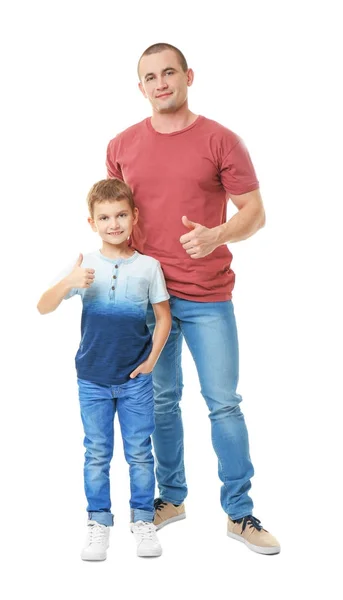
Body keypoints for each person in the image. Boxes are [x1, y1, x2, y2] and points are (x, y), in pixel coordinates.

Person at [106, 43, 281, 555]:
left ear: (188, 76)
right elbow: (116, 220)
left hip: (207, 295)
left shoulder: (221, 140)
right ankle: (172, 498)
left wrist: (216, 235)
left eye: (169, 73)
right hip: (148, 301)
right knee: (161, 401)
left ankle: (240, 513)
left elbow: (254, 211)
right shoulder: (120, 145)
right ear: (141, 87)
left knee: (224, 403)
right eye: (150, 77)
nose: (160, 83)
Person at [37, 178, 171, 560]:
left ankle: (143, 520)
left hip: (135, 381)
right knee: (96, 452)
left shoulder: (148, 267)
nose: (114, 224)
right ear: (92, 222)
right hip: (93, 380)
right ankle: (98, 523)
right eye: (105, 217)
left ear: (134, 217)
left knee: (140, 453)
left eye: (121, 215)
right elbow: (42, 306)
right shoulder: (84, 266)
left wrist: (151, 361)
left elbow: (162, 317)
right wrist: (69, 282)